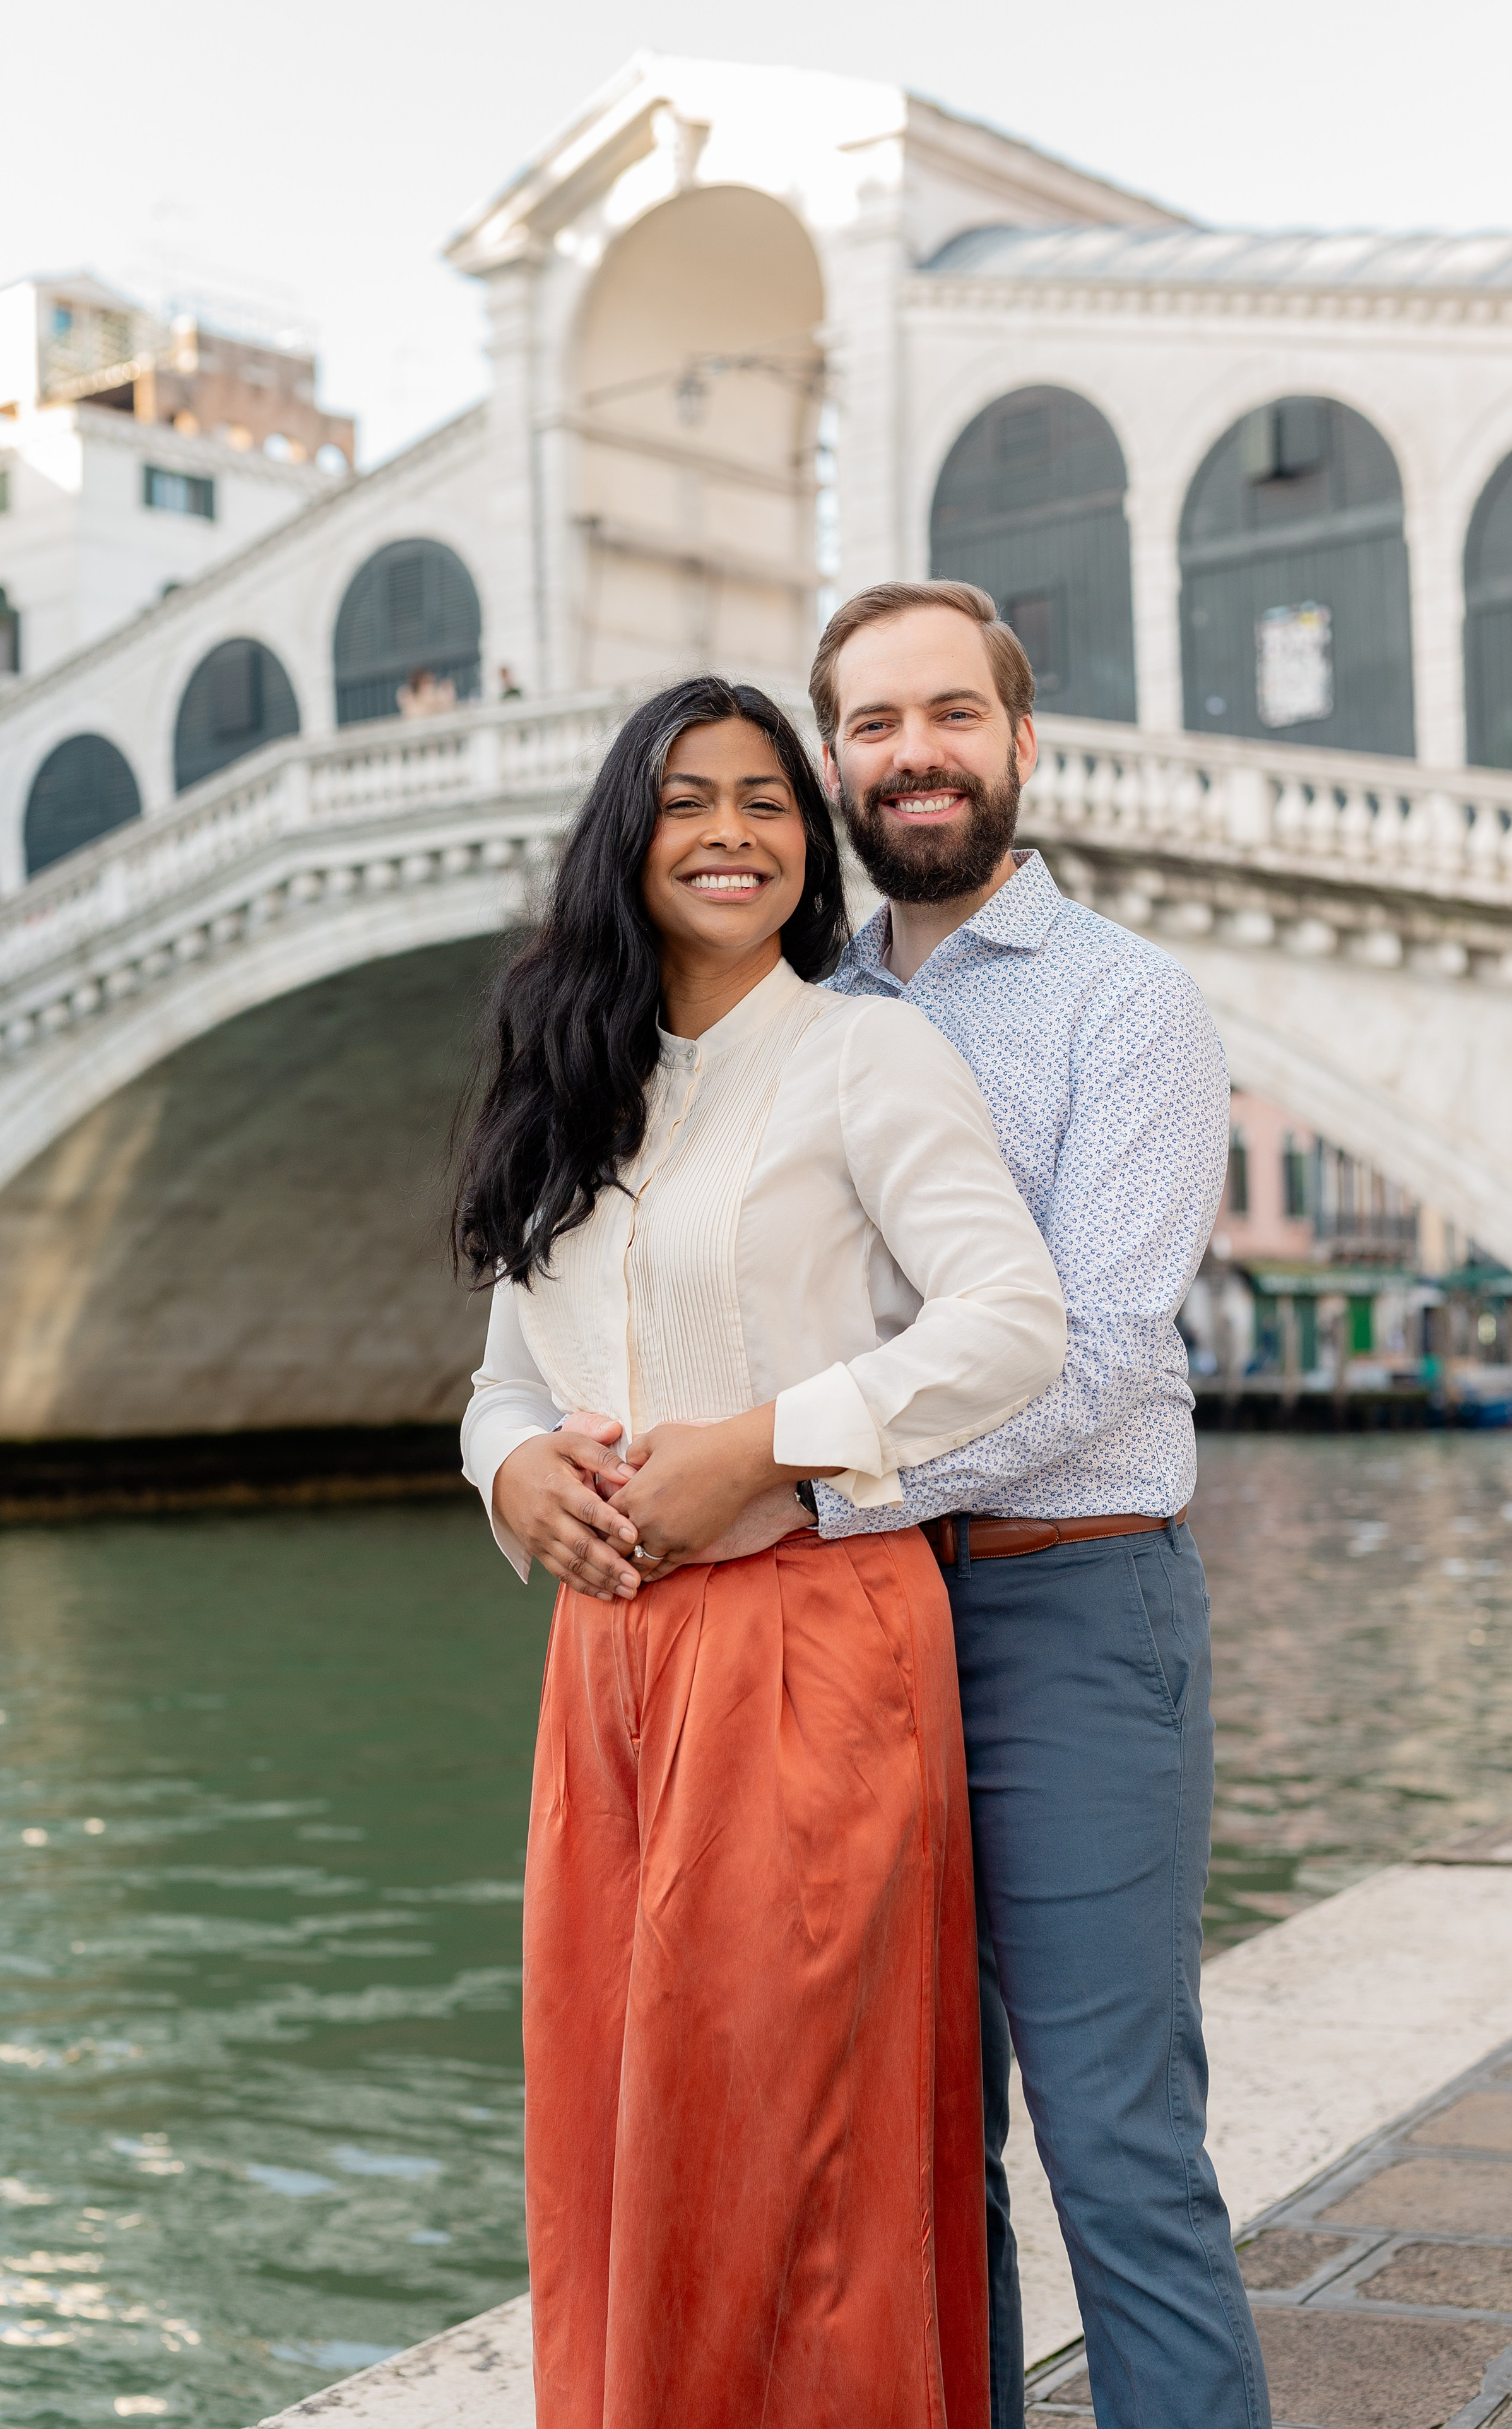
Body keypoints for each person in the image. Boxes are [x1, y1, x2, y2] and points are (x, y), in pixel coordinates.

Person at [454, 674, 1066, 2428]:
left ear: (808, 847)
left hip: (808, 1645)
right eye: (687, 800)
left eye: (767, 802)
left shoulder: (866, 1054)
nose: (730, 833)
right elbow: (505, 1379)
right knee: (615, 2125)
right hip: (610, 1673)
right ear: (624, 841)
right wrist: (512, 1484)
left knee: (798, 2149)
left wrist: (765, 1446)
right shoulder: (572, 1079)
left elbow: (1012, 1321)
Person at [805, 581, 1272, 2429]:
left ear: (1021, 744)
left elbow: (1080, 1369)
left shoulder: (1129, 1006)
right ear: (836, 758)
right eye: (870, 724)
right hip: (857, 1634)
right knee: (922, 2162)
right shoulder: (802, 1010)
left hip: (1073, 1611)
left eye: (951, 716)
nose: (913, 754)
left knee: (1120, 2151)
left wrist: (789, 1494)